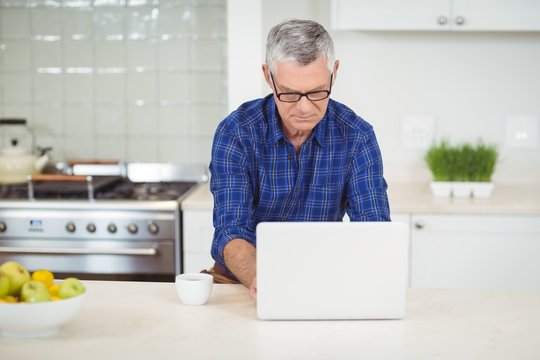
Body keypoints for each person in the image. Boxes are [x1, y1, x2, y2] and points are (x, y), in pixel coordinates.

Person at [207, 19, 390, 298]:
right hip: (243, 281)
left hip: (321, 279)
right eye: (290, 93)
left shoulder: (357, 137)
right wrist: (261, 279)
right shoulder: (237, 132)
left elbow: (373, 231)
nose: (305, 108)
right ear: (268, 77)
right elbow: (231, 230)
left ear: (334, 73)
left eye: (317, 92)